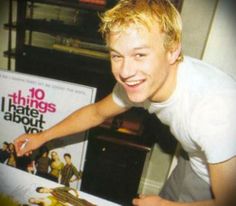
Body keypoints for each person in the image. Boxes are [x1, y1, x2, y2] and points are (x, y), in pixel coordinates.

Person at [14, 0, 236, 205]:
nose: (125, 72)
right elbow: (96, 113)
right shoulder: (143, 79)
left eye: (140, 55)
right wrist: (41, 137)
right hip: (195, 158)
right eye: (117, 56)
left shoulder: (214, 110)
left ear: (172, 50)